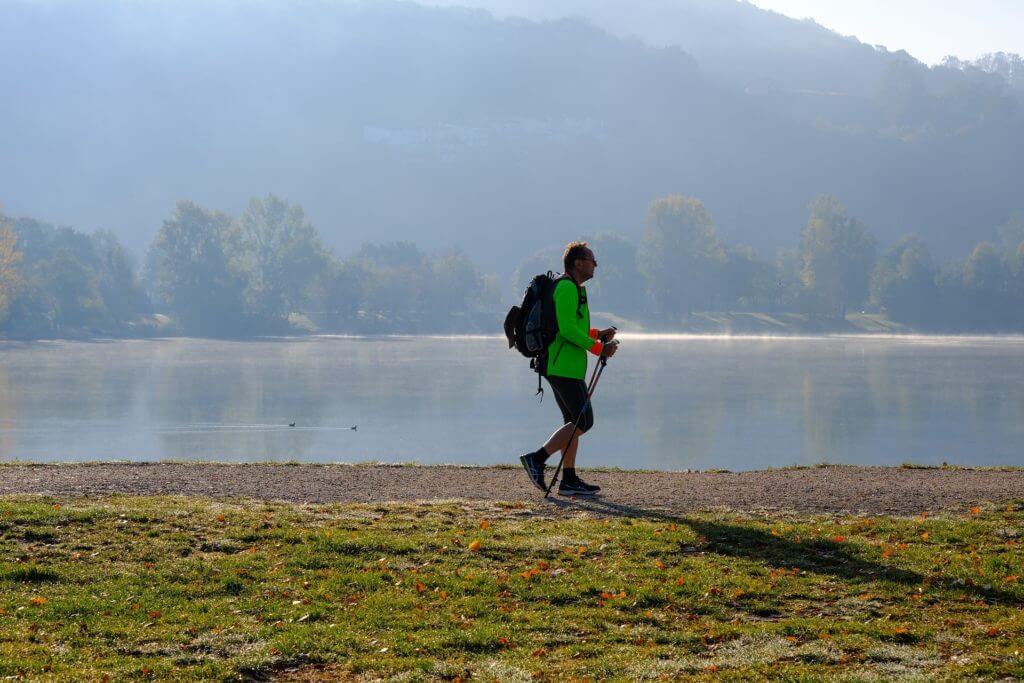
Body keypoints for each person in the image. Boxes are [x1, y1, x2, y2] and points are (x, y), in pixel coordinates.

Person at [519, 241, 617, 496]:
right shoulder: (566, 287)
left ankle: (569, 480)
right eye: (591, 259)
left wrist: (598, 334)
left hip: (568, 366)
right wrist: (598, 349)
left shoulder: (575, 288)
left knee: (573, 422)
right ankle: (537, 459)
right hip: (561, 366)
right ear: (577, 262)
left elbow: (576, 328)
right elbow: (567, 330)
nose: (595, 264)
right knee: (584, 420)